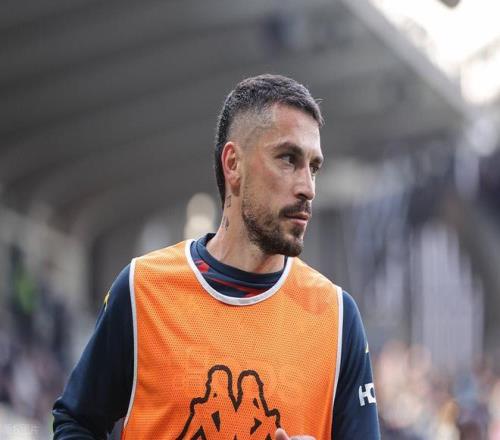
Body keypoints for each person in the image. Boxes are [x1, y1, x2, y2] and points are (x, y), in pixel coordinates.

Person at [53, 74, 380, 439]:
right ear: (233, 164)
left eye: (313, 167)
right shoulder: (142, 288)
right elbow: (76, 421)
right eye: (288, 159)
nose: (307, 187)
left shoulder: (337, 317)